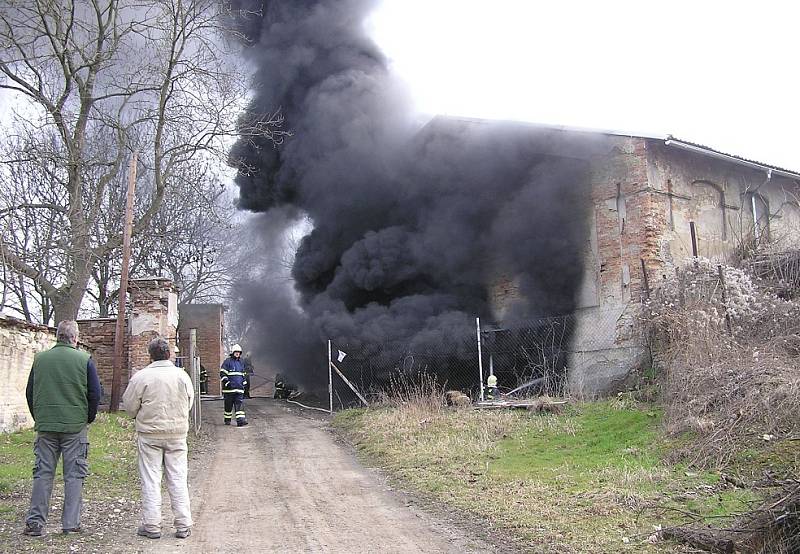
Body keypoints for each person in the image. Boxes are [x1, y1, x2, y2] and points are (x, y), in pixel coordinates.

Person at [23, 320, 101, 537]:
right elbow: (95, 394)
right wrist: (88, 418)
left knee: (42, 473)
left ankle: (35, 523)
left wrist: (39, 416)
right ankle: (70, 523)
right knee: (74, 475)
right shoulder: (84, 360)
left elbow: (29, 392)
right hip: (75, 426)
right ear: (75, 338)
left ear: (57, 336)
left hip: (46, 426)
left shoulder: (40, 360)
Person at [122, 337, 194, 540]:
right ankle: (183, 524)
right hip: (177, 434)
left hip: (149, 435)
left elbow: (129, 406)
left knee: (151, 479)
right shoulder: (182, 376)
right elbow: (189, 402)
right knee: (178, 478)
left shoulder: (141, 377)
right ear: (169, 354)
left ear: (150, 355)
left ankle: (152, 525)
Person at [220, 344, 248, 426]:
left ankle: (240, 421)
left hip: (239, 389)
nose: (237, 354)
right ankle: (227, 420)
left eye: (239, 352)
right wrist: (226, 382)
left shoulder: (241, 362)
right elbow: (222, 373)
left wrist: (244, 384)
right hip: (229, 389)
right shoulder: (227, 362)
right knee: (228, 405)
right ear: (233, 352)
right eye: (236, 352)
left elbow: (243, 374)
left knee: (239, 405)